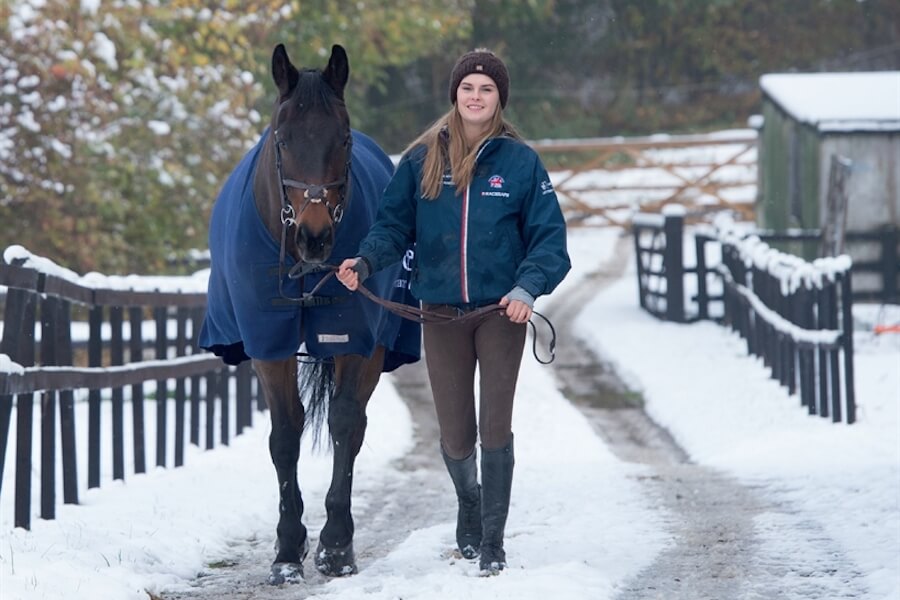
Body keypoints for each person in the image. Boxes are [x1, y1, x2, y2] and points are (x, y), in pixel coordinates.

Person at [337, 48, 570, 575]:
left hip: (499, 312)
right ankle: (468, 499)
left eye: (487, 89)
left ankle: (493, 540)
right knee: (456, 433)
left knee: (495, 425)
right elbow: (392, 226)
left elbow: (550, 240)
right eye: (469, 88)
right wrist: (366, 259)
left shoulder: (521, 162)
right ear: (455, 94)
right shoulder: (421, 160)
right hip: (439, 312)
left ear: (499, 99)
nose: (476, 97)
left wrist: (526, 290)